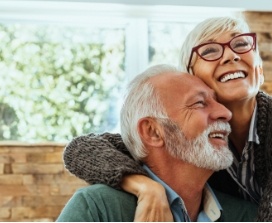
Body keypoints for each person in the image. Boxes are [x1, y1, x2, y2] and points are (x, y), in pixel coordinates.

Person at [63, 16, 272, 221]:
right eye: (209, 50)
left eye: (241, 44)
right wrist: (145, 186)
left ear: (259, 67)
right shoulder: (201, 146)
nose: (230, 56)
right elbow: (82, 148)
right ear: (193, 78)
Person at [57, 64, 258, 222]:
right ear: (153, 132)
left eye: (217, 102)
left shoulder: (248, 216)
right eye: (199, 103)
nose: (225, 113)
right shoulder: (97, 208)